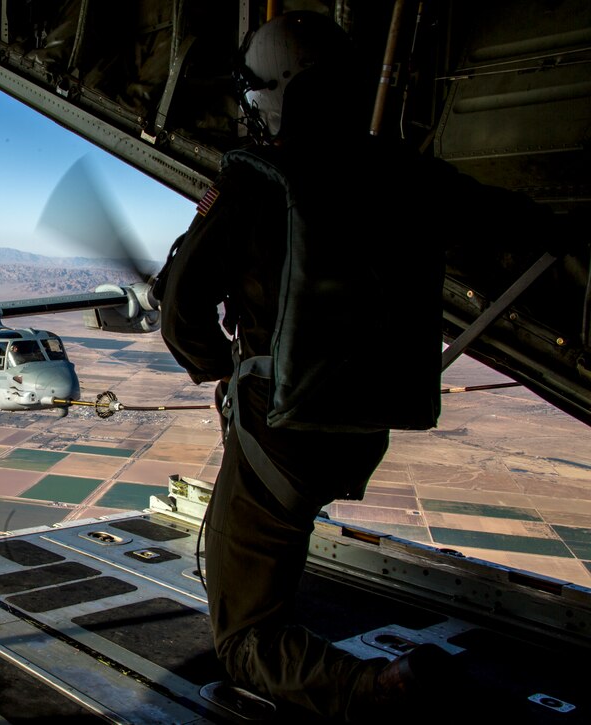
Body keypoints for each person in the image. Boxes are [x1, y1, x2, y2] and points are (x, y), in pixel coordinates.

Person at [152, 10, 550, 721]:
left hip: (281, 433)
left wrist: (218, 368)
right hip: (363, 429)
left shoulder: (250, 183)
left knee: (243, 636)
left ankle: (377, 690)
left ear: (271, 98)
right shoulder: (406, 174)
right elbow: (512, 219)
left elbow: (182, 306)